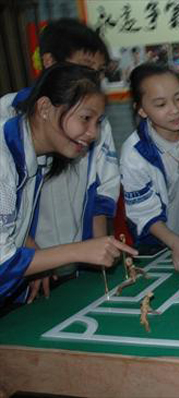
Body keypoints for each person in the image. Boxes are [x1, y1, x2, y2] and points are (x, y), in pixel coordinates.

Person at [0, 18, 120, 301]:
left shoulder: (40, 152)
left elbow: (13, 224)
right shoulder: (7, 149)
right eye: (85, 119)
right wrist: (78, 251)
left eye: (99, 72)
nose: (93, 133)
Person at [120, 63, 179, 275]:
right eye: (161, 104)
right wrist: (175, 242)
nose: (174, 110)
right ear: (142, 110)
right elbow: (144, 214)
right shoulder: (135, 153)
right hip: (155, 247)